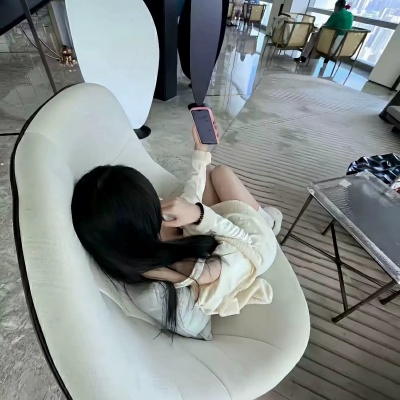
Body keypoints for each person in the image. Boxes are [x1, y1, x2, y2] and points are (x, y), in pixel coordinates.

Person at [71, 126, 282, 340]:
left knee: (212, 171)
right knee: (221, 175)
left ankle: (264, 218)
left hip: (220, 233)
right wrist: (200, 216)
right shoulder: (163, 287)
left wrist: (200, 151)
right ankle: (267, 222)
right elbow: (249, 248)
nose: (159, 204)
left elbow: (190, 199)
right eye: (153, 206)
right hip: (251, 243)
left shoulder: (143, 236)